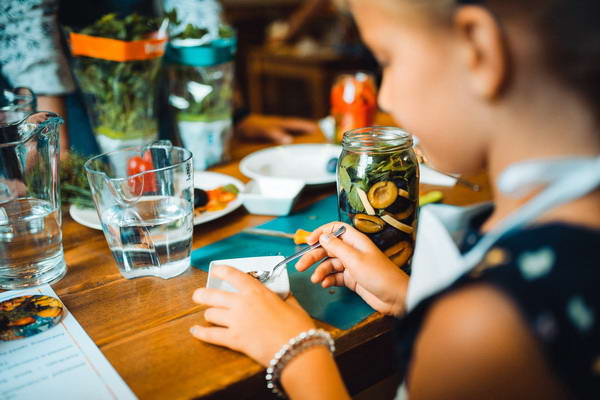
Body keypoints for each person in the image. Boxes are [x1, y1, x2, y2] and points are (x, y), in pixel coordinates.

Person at [189, 0, 600, 399]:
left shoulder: (485, 325)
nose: (381, 99)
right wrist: (408, 296)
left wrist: (297, 353)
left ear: (477, 48)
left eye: (386, 60)